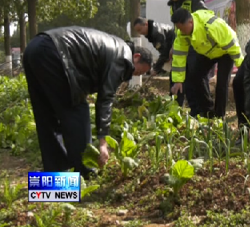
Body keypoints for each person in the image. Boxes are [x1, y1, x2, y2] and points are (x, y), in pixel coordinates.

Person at [22, 26, 153, 179]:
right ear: (136, 57)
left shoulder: (115, 46)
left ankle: (57, 176)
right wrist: (103, 142)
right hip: (54, 52)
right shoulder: (123, 57)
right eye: (137, 72)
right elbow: (105, 99)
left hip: (34, 48)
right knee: (77, 110)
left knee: (46, 116)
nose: (131, 76)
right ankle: (86, 171)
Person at [170, 8, 243, 119]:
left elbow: (232, 45)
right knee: (194, 76)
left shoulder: (211, 25)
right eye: (179, 28)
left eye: (182, 28)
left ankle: (219, 116)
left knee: (222, 84)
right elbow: (179, 56)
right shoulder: (182, 34)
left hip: (225, 51)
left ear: (190, 22)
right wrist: (178, 80)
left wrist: (241, 67)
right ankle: (208, 111)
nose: (181, 31)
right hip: (207, 52)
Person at [164, 0, 213, 116]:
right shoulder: (173, 5)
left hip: (196, 45)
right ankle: (193, 110)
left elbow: (205, 18)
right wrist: (174, 46)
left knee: (196, 76)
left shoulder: (194, 0)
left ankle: (206, 110)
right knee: (181, 77)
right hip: (182, 44)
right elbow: (176, 28)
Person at [132, 17, 184, 105]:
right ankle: (174, 104)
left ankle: (177, 106)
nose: (140, 33)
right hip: (173, 56)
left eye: (140, 30)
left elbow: (165, 54)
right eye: (138, 31)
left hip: (178, 55)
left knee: (176, 81)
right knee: (173, 79)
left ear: (146, 24)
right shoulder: (152, 32)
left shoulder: (156, 33)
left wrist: (156, 69)